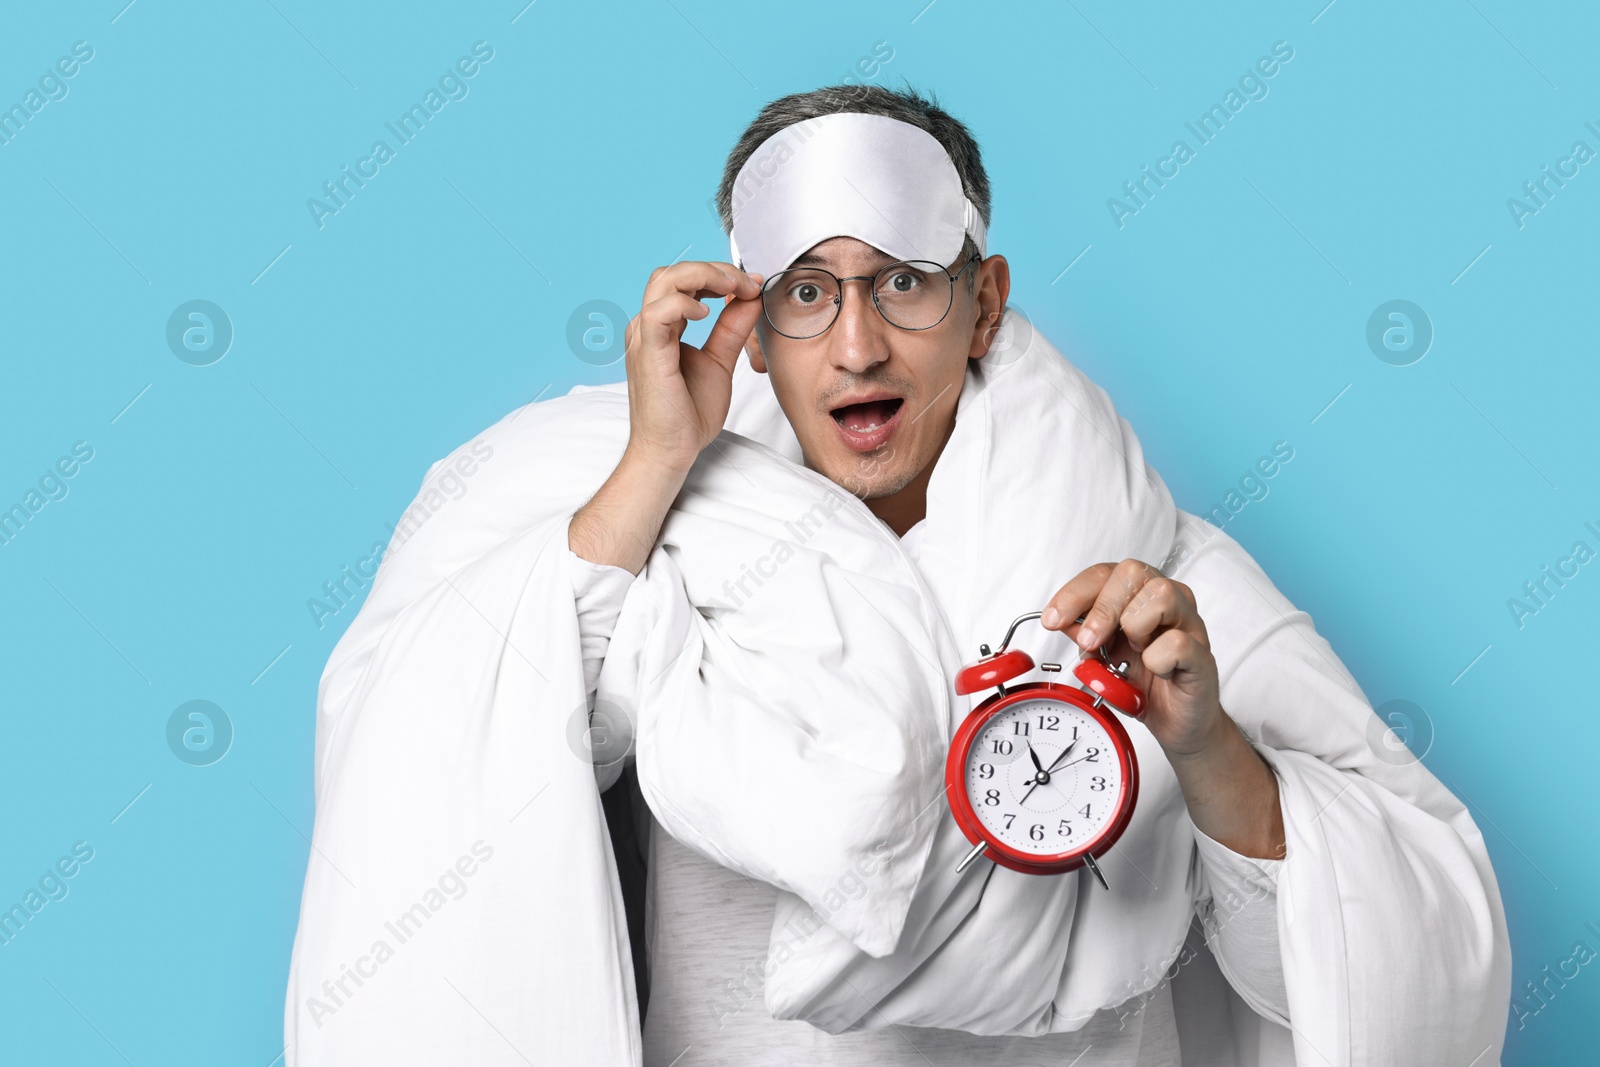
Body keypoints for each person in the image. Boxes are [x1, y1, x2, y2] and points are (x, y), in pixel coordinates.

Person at [283, 86, 1510, 1067]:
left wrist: (1207, 750)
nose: (858, 343)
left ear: (984, 305)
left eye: (905, 284)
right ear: (751, 330)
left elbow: (1376, 960)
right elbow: (502, 736)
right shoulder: (664, 546)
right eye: (807, 293)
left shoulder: (1157, 584)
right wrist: (658, 456)